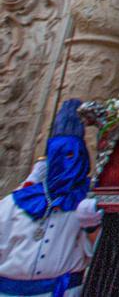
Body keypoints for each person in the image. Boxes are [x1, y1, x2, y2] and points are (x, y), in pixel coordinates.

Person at [0, 100, 101, 297]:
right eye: (59, 154)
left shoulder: (88, 204)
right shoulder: (15, 202)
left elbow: (98, 256)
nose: (66, 163)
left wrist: (91, 227)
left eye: (72, 155)